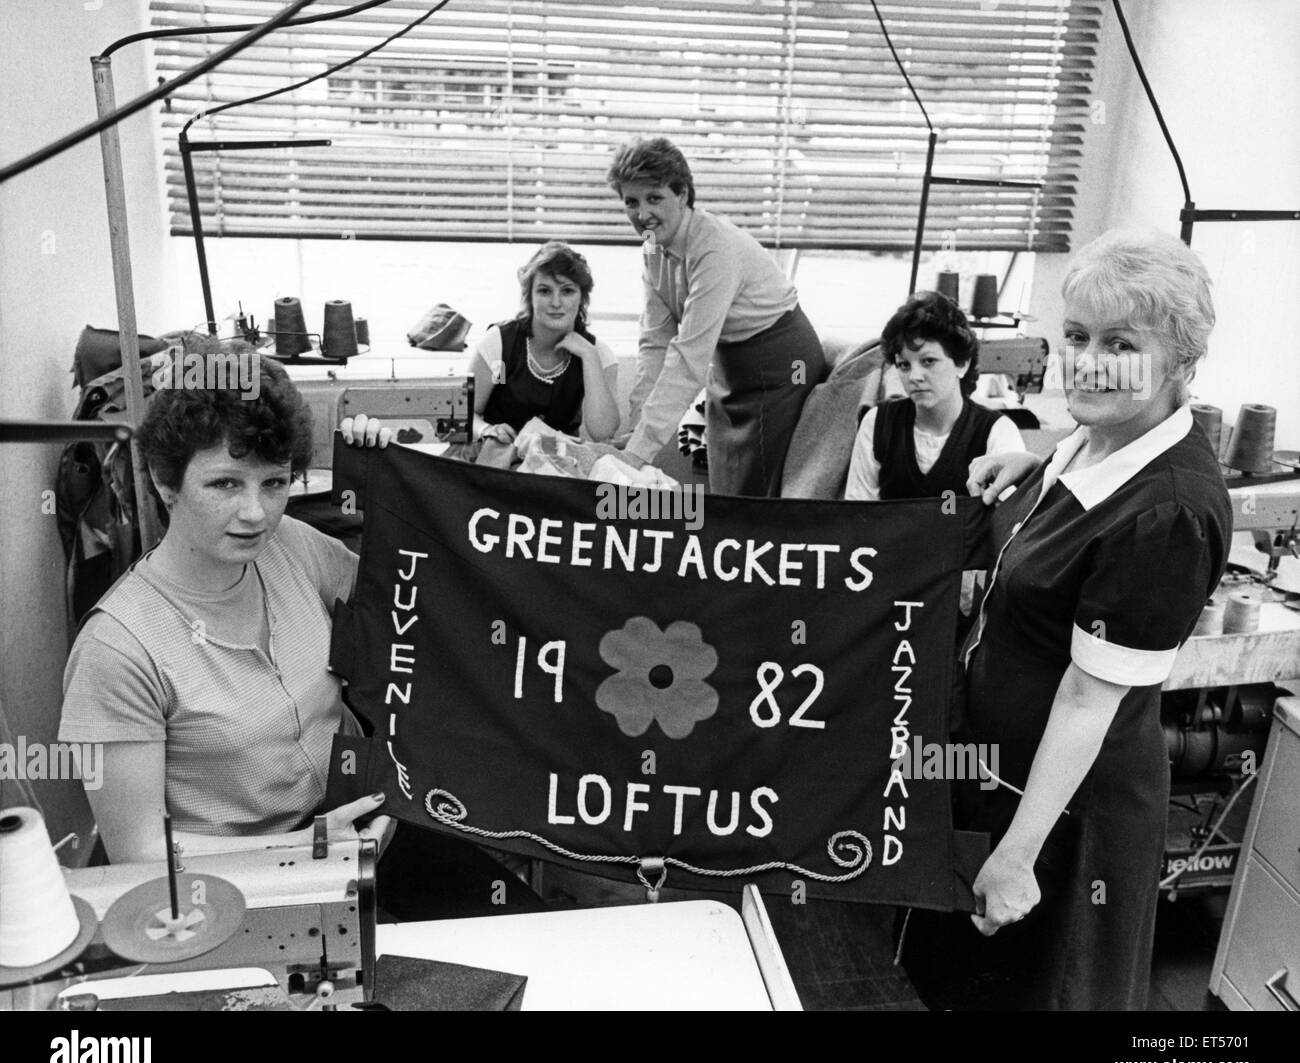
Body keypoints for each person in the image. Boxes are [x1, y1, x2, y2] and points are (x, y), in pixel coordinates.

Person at [57, 362, 538, 917]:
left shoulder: (291, 546)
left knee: (530, 945)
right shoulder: (117, 649)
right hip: (240, 886)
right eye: (224, 484)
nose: (256, 513)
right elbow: (138, 856)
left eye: (275, 483)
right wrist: (306, 847)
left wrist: (386, 481)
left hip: (365, 831)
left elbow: (415, 596)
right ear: (166, 484)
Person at [903, 230, 1232, 1010]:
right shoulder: (1101, 433)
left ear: (1181, 363)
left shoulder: (1168, 516)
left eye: (1121, 343)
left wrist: (1019, 855)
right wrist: (1035, 462)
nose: (1088, 361)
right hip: (994, 773)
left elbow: (1089, 700)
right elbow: (1086, 439)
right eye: (1078, 336)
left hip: (1064, 819)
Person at [607, 136, 828, 496]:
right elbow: (655, 343)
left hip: (780, 367)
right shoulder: (653, 246)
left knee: (757, 501)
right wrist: (638, 427)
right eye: (631, 202)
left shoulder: (714, 248)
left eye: (654, 198)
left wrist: (638, 453)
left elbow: (688, 357)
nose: (642, 214)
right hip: (730, 371)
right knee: (726, 491)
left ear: (682, 194)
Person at [845, 291, 1023, 501]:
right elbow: (857, 517)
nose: (914, 376)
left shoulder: (998, 432)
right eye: (904, 365)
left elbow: (1011, 519)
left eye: (928, 361)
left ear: (962, 364)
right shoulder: (876, 424)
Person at [469, 240, 620, 443]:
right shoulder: (501, 344)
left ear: (582, 298)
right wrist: (488, 430)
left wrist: (589, 356)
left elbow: (602, 433)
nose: (556, 303)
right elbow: (466, 415)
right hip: (497, 460)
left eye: (567, 291)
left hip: (555, 466)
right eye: (544, 291)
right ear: (529, 296)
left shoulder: (598, 353)